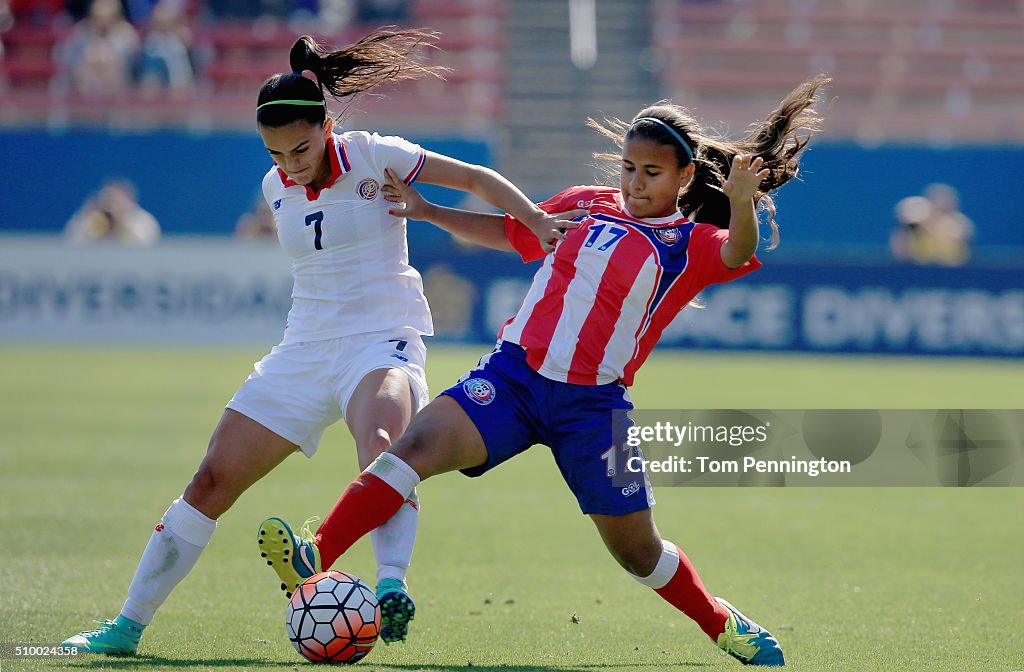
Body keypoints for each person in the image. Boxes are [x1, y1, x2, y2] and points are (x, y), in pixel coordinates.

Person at [264, 75, 827, 666]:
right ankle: (316, 552)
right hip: (513, 381)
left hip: (593, 408)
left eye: (652, 173)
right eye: (629, 167)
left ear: (684, 178)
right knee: (411, 449)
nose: (634, 182)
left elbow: (738, 251)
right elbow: (514, 235)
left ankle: (720, 622)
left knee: (638, 552)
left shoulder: (688, 245)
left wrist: (741, 199)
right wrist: (428, 211)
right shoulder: (584, 202)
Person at [60, 28, 579, 656]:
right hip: (303, 350)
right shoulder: (273, 188)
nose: (289, 164)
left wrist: (537, 220)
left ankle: (391, 587)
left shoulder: (374, 154)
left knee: (384, 447)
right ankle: (126, 627)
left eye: (299, 148)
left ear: (326, 125)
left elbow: (473, 177)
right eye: (275, 153)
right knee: (210, 481)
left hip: (382, 340)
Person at [890, 182, 974, 266]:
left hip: (953, 272)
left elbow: (959, 242)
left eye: (945, 200)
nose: (940, 204)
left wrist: (927, 226)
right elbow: (900, 254)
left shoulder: (960, 222)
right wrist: (904, 226)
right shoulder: (915, 225)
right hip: (920, 271)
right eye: (936, 199)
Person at [64, 178, 161, 245]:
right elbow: (70, 243)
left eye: (116, 200)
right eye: (107, 200)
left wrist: (121, 220)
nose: (110, 205)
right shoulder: (90, 218)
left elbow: (148, 245)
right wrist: (85, 216)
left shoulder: (142, 220)